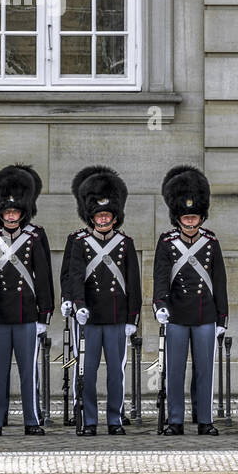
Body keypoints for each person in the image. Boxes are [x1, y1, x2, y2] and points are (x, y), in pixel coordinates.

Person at [61, 165, 141, 436]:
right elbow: (74, 278)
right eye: (99, 214)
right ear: (91, 217)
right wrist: (79, 306)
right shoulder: (81, 243)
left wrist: (132, 319)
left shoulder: (125, 243)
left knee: (116, 375)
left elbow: (133, 284)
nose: (103, 218)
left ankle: (115, 419)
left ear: (114, 217)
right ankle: (90, 419)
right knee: (88, 372)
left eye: (107, 214)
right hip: (90, 318)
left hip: (117, 317)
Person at [0, 164, 54, 436]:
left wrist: (44, 315)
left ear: (22, 213)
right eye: (7, 212)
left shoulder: (32, 239)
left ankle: (32, 420)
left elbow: (43, 278)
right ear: (1, 213)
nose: (10, 215)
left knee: (28, 372)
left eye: (15, 211)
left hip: (26, 316)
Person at [152, 165, 226, 436]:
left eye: (195, 217)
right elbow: (160, 277)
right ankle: (175, 420)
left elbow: (219, 282)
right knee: (174, 372)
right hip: (177, 316)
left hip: (205, 315)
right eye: (186, 217)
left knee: (205, 371)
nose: (191, 221)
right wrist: (160, 305)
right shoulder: (167, 242)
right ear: (178, 218)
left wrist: (222, 317)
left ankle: (205, 420)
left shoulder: (210, 242)